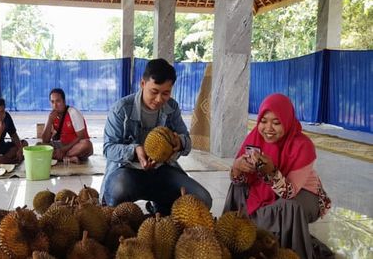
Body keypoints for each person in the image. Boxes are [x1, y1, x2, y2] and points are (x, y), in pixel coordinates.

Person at [223, 93, 332, 258]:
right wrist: (237, 167)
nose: (268, 129)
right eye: (263, 121)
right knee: (237, 187)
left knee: (290, 206)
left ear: (287, 122)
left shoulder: (303, 146)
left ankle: (294, 248)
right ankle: (236, 234)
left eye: (276, 123)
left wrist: (271, 172)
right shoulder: (255, 138)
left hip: (303, 195)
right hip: (266, 190)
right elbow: (241, 179)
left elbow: (289, 192)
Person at [100, 58, 213, 215]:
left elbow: (187, 142)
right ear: (143, 84)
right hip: (127, 171)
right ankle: (113, 206)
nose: (159, 99)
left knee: (202, 200)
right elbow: (108, 148)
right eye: (154, 92)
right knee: (118, 191)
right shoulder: (121, 109)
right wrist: (135, 150)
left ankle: (159, 209)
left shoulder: (171, 108)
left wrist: (178, 142)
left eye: (165, 93)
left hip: (162, 172)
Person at [41, 88, 93, 163]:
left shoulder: (73, 112)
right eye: (52, 102)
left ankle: (61, 157)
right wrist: (50, 121)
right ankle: (68, 158)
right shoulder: (52, 116)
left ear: (64, 101)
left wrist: (63, 150)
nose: (55, 105)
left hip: (76, 146)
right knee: (39, 145)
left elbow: (81, 136)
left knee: (87, 144)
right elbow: (45, 140)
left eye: (58, 101)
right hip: (62, 145)